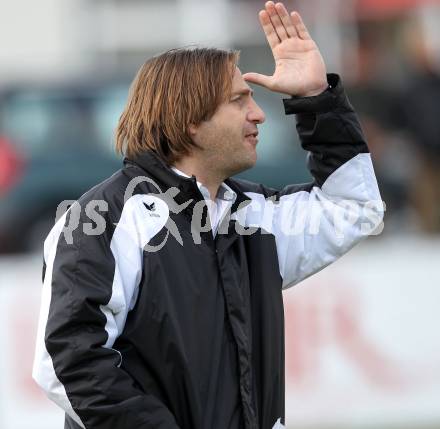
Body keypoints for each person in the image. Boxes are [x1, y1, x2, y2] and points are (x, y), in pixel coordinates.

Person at [33, 2, 383, 428]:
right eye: (239, 101)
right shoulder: (102, 220)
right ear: (191, 121)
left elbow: (354, 209)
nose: (258, 114)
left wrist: (315, 100)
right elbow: (67, 364)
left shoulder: (250, 216)